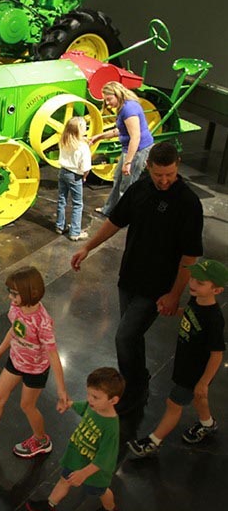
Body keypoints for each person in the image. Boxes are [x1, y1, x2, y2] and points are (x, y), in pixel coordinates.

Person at [71, 142, 204, 414]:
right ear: (148, 167)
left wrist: (175, 294)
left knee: (124, 337)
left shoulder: (188, 203)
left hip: (158, 286)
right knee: (132, 337)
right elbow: (116, 221)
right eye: (159, 175)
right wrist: (87, 247)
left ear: (177, 166)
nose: (165, 181)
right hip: (129, 276)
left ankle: (132, 388)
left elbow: (189, 257)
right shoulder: (140, 189)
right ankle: (139, 380)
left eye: (170, 174)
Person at [0, 266, 69, 457]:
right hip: (16, 361)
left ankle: (41, 440)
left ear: (30, 293)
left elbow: (53, 355)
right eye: (10, 292)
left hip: (35, 370)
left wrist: (61, 389)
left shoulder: (42, 323)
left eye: (15, 294)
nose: (10, 297)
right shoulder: (16, 309)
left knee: (27, 406)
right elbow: (14, 331)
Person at [128, 258, 225, 457]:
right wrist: (176, 311)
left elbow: (217, 354)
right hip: (184, 363)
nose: (193, 284)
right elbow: (190, 313)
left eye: (200, 282)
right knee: (198, 400)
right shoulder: (196, 300)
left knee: (174, 404)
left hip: (195, 372)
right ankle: (207, 424)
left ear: (217, 290)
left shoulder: (214, 319)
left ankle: (153, 441)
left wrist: (204, 382)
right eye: (194, 278)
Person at [26, 367, 125, 511]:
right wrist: (70, 404)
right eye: (89, 394)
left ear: (113, 400)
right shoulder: (94, 407)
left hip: (93, 472)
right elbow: (84, 407)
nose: (90, 399)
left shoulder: (111, 428)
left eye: (95, 397)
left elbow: (104, 458)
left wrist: (84, 473)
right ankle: (49, 505)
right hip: (77, 459)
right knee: (64, 480)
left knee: (101, 491)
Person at [90, 81, 155, 218]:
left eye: (109, 99)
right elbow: (120, 131)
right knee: (117, 179)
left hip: (138, 150)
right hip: (129, 149)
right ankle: (109, 209)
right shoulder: (123, 107)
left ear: (117, 94)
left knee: (127, 185)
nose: (107, 104)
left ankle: (122, 217)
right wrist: (99, 136)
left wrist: (128, 162)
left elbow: (135, 137)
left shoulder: (129, 109)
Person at [55, 116, 92, 241]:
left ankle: (60, 226)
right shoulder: (83, 147)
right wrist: (85, 177)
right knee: (77, 204)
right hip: (75, 175)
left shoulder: (63, 141)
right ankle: (75, 232)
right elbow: (86, 167)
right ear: (79, 130)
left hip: (63, 172)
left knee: (62, 200)